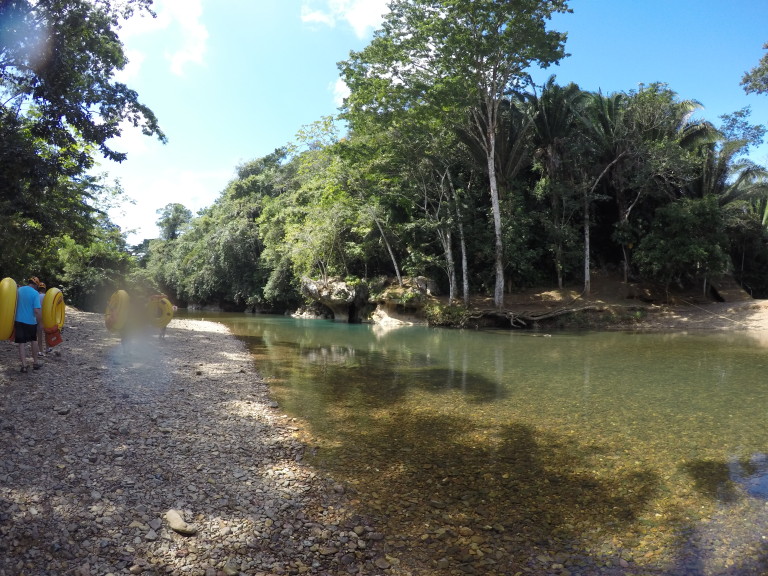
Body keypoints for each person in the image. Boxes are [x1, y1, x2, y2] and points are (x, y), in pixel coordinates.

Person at [15, 277, 43, 372]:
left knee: (21, 343)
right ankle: (35, 363)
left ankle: (24, 366)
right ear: (36, 285)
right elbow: (36, 310)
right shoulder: (35, 293)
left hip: (18, 320)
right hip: (31, 321)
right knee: (33, 341)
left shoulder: (19, 290)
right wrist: (40, 322)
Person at [36, 281, 47, 356]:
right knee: (47, 333)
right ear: (45, 289)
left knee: (39, 335)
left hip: (38, 317)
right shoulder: (47, 296)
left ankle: (41, 351)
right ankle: (48, 348)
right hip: (47, 317)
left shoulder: (36, 295)